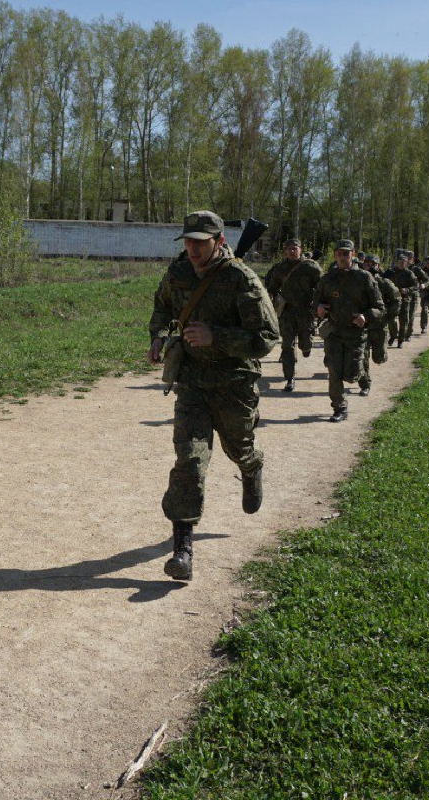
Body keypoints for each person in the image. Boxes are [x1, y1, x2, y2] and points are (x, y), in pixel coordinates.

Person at [148, 211, 279, 581]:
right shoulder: (179, 272)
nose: (192, 248)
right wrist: (158, 336)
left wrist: (216, 337)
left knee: (237, 447)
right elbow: (162, 306)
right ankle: (183, 550)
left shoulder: (241, 279)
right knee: (189, 461)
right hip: (192, 383)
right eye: (188, 241)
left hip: (234, 383)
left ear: (218, 242)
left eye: (200, 242)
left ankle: (251, 466)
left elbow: (267, 337)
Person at [312, 239, 384, 423]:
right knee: (334, 371)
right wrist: (318, 309)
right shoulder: (327, 279)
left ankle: (363, 378)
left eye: (346, 253)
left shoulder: (365, 278)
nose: (343, 257)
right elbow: (315, 304)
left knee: (351, 375)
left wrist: (365, 317)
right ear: (334, 255)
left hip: (356, 334)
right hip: (334, 332)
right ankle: (339, 408)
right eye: (339, 254)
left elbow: (379, 307)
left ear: (353, 254)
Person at [264, 238, 322, 392]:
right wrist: (272, 299)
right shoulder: (280, 268)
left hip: (305, 312)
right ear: (285, 251)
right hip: (287, 312)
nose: (292, 251)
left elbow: (323, 287)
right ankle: (290, 378)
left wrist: (318, 304)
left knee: (305, 343)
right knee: (287, 346)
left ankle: (306, 347)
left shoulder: (311, 266)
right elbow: (272, 288)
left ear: (300, 249)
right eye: (289, 248)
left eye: (294, 248)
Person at [358, 254, 400, 397]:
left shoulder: (384, 283)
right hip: (362, 326)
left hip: (379, 326)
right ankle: (365, 384)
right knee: (362, 356)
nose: (369, 266)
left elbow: (396, 300)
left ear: (378, 266)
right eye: (366, 264)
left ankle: (381, 355)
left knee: (379, 357)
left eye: (372, 264)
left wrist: (387, 316)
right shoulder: (356, 282)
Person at [384, 249, 419, 346]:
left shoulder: (409, 273)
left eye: (403, 262)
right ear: (397, 262)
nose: (401, 264)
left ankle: (400, 340)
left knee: (404, 321)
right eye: (400, 262)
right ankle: (393, 335)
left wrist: (407, 290)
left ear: (407, 263)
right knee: (391, 320)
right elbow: (383, 282)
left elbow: (415, 286)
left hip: (405, 300)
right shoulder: (391, 272)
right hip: (393, 300)